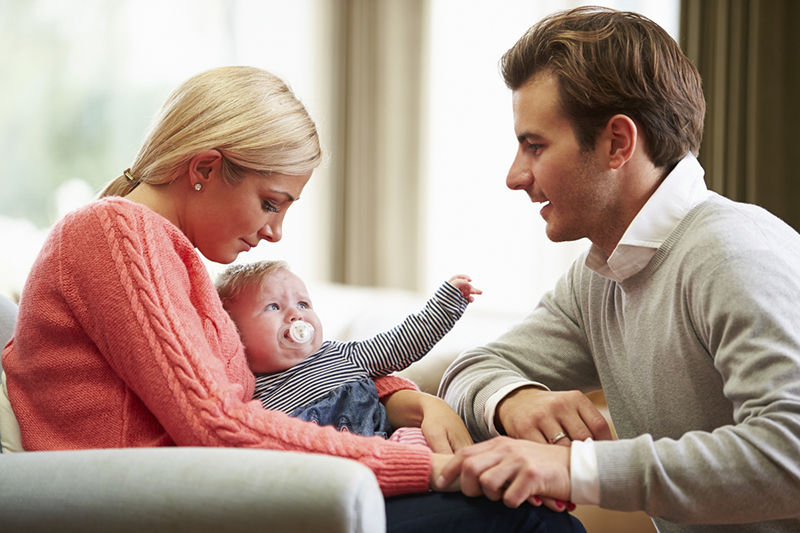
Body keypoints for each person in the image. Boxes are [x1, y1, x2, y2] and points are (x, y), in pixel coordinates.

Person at [2, 65, 585, 532]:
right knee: (526, 521)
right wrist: (430, 469)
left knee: (524, 511)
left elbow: (282, 380)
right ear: (204, 167)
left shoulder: (165, 258)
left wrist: (406, 397)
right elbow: (218, 426)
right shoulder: (113, 236)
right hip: (169, 505)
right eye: (271, 202)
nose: (275, 233)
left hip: (216, 492)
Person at [436, 6, 800, 532]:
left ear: (618, 143)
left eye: (534, 146)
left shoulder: (734, 253)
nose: (515, 176)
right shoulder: (600, 277)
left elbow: (791, 453)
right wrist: (512, 398)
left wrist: (572, 468)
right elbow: (471, 370)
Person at [215, 260, 480, 449]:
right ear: (232, 330)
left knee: (422, 441)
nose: (296, 315)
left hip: (387, 454)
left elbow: (402, 342)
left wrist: (446, 304)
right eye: (272, 306)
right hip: (320, 482)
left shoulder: (341, 355)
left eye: (303, 304)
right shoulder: (245, 393)